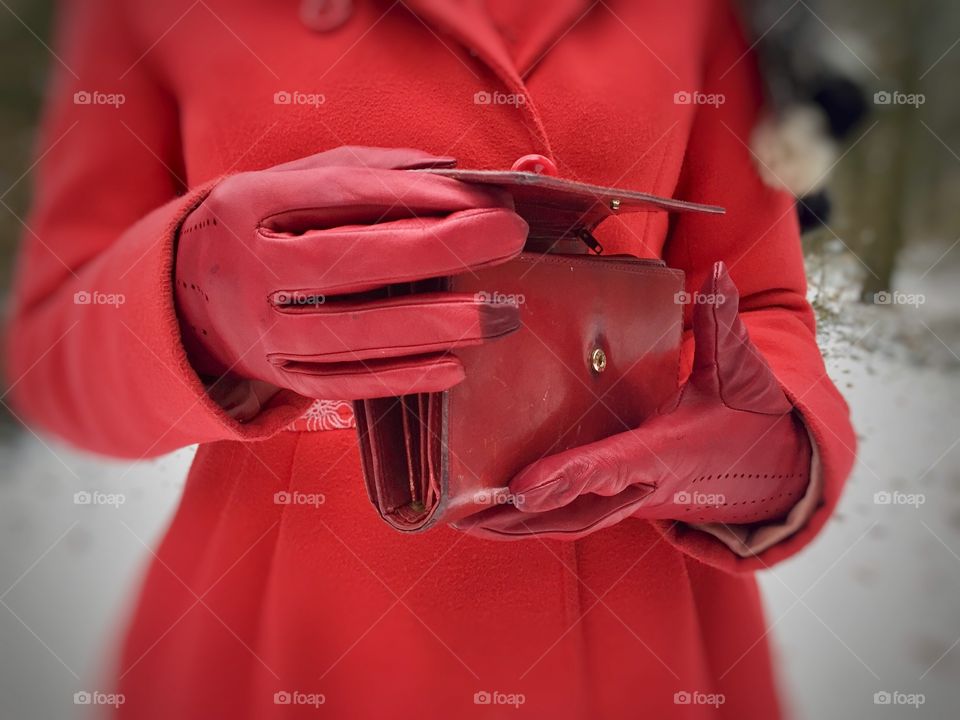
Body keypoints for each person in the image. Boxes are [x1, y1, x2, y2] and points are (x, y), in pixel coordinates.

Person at [5, 0, 856, 717]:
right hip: (278, 638)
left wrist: (754, 455)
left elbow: (758, 302)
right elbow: (49, 339)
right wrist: (189, 298)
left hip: (644, 635)